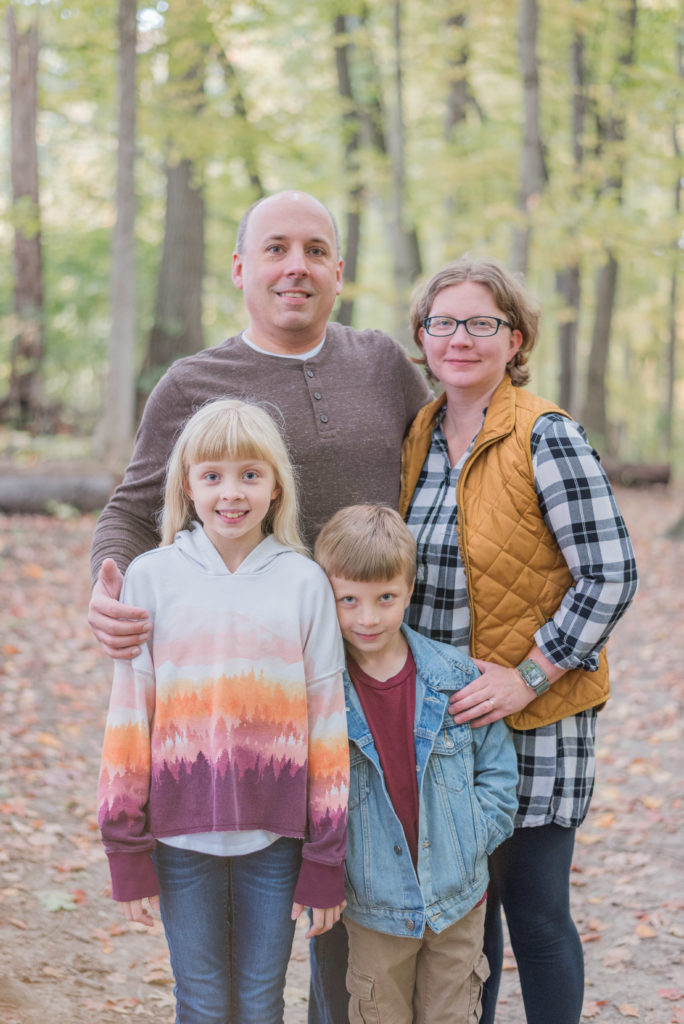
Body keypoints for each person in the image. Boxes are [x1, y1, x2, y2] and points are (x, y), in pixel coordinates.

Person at [88, 189, 431, 1024]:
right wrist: (107, 580)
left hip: (378, 668)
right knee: (256, 948)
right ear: (241, 267)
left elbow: (447, 469)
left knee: (364, 910)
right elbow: (135, 507)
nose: (296, 266)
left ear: (339, 272)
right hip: (248, 694)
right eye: (275, 249)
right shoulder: (193, 383)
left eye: (315, 250)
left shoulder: (383, 363)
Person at [398, 258, 639, 1024]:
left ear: (516, 337)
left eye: (481, 323)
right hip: (446, 722)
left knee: (534, 916)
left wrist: (527, 675)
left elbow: (611, 574)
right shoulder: (420, 434)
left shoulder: (547, 435)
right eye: (443, 323)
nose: (459, 338)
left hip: (535, 716)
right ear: (422, 337)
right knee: (471, 926)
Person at [97, 398, 349, 1024]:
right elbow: (129, 717)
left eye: (250, 475)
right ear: (187, 484)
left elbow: (327, 722)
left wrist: (326, 856)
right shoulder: (152, 577)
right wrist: (125, 846)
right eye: (212, 476)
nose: (230, 493)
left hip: (277, 839)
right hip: (179, 838)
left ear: (275, 486)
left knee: (263, 1003)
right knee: (203, 1002)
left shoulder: (303, 582)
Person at [314, 505, 518, 1024]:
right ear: (327, 598)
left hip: (458, 903)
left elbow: (496, 772)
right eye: (349, 600)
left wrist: (473, 837)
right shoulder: (320, 691)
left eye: (386, 598)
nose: (368, 617)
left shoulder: (453, 674)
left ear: (409, 590)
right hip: (375, 910)